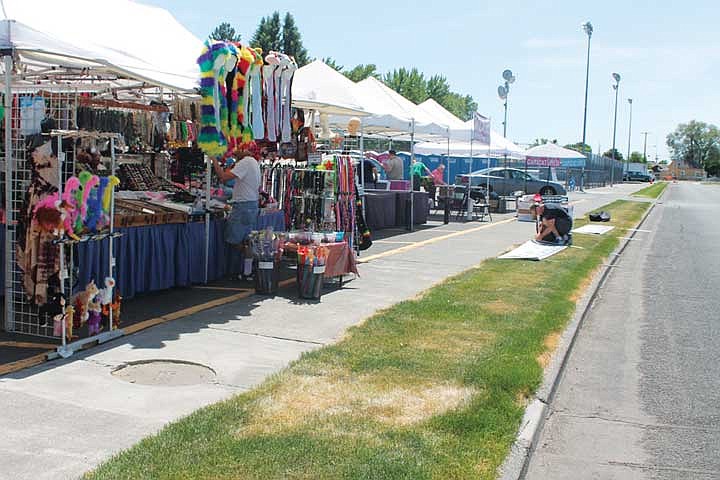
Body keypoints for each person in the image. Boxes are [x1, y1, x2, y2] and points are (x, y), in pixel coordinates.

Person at [212, 145, 262, 280]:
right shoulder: (252, 162)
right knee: (246, 239)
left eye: (237, 149)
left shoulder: (245, 162)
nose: (234, 152)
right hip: (250, 204)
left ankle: (251, 265)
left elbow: (223, 177)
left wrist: (214, 160)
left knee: (234, 239)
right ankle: (248, 270)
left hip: (243, 206)